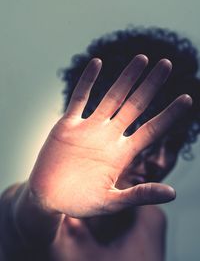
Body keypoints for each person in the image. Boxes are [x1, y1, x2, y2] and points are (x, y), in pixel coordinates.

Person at [1, 27, 200, 261]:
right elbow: (24, 220)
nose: (161, 161)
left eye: (174, 145)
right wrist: (41, 204)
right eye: (148, 141)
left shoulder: (153, 221)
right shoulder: (49, 224)